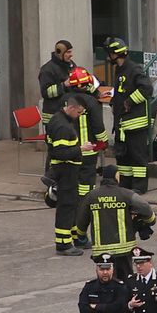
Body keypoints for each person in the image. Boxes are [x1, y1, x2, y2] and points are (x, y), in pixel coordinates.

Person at [73, 165, 157, 279]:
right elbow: (145, 208)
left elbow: (81, 221)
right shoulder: (126, 194)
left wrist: (81, 236)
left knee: (106, 282)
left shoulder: (91, 196)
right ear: (117, 176)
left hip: (101, 251)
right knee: (126, 281)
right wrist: (150, 221)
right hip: (125, 249)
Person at [47, 94, 94, 256]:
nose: (79, 116)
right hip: (65, 171)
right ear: (72, 107)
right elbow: (60, 153)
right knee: (66, 207)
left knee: (72, 205)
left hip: (68, 171)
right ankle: (63, 244)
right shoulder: (62, 127)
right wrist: (81, 149)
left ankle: (75, 237)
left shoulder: (61, 119)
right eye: (79, 113)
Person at [106, 37, 152, 194]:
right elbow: (121, 91)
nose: (108, 57)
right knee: (123, 156)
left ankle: (139, 187)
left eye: (109, 54)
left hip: (135, 123)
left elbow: (146, 88)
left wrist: (129, 102)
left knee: (137, 156)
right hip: (122, 124)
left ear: (114, 54)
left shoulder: (134, 69)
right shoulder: (120, 70)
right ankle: (125, 184)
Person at [68, 68, 109, 222]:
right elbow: (98, 125)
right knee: (87, 179)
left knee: (73, 177)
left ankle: (73, 201)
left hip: (71, 149)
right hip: (88, 149)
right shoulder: (91, 102)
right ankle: (85, 204)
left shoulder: (66, 100)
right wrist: (103, 142)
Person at [38, 40, 75, 127]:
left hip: (68, 114)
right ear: (59, 53)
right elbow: (46, 92)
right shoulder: (47, 70)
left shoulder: (70, 65)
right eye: (68, 52)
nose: (71, 55)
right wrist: (64, 85)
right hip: (53, 116)